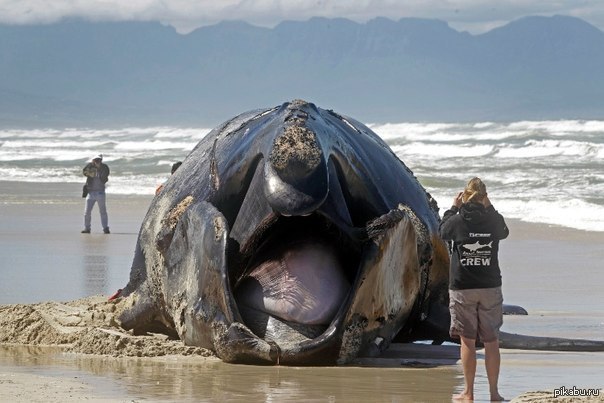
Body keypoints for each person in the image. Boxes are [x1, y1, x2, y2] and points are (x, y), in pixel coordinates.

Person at [439, 177, 509, 402]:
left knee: (467, 340)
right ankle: (494, 393)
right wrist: (491, 208)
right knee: (492, 340)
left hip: (463, 288)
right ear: (484, 198)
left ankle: (468, 393)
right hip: (489, 287)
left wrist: (453, 207)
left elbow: (442, 231)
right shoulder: (493, 222)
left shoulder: (457, 221)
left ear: (465, 196)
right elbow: (504, 231)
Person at [82, 154, 110, 234]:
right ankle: (87, 228)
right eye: (96, 160)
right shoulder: (90, 166)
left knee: (103, 211)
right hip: (90, 192)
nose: (98, 161)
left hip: (100, 192)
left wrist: (98, 168)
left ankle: (105, 228)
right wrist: (93, 168)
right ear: (93, 160)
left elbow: (105, 176)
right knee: (87, 212)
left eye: (99, 160)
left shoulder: (104, 167)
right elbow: (84, 172)